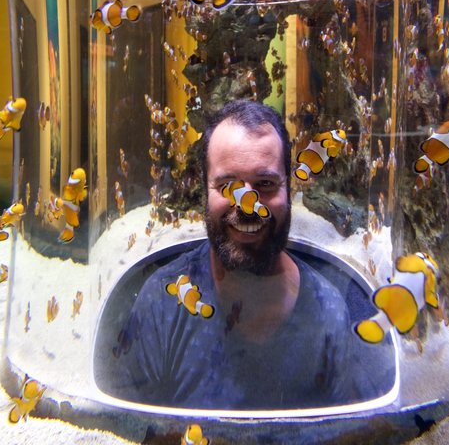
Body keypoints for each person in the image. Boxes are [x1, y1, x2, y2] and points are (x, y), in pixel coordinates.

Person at [103, 100, 392, 409]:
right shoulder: (163, 301)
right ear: (204, 191)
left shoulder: (329, 310)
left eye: (265, 184)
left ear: (290, 189)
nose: (246, 204)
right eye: (228, 186)